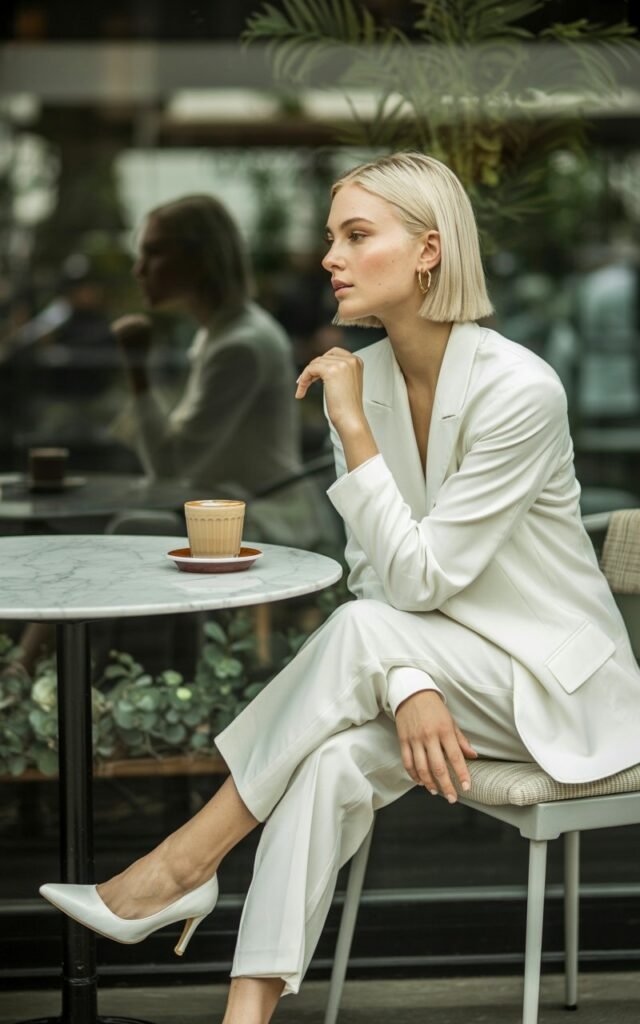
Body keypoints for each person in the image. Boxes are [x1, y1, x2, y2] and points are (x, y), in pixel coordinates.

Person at [40, 153, 640, 1024]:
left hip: (564, 693)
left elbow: (419, 579)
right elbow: (373, 574)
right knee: (326, 762)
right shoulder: (367, 381)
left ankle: (180, 867)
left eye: (358, 235)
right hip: (444, 675)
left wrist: (353, 427)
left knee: (362, 630)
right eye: (332, 237)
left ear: (429, 251)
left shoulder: (519, 390)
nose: (330, 256)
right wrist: (412, 681)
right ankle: (245, 1017)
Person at [111, 194, 328, 548]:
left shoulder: (239, 346)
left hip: (264, 518)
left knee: (126, 531)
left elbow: (170, 466)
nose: (140, 269)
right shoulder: (223, 333)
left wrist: (137, 369)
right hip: (235, 507)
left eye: (155, 252)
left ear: (199, 258)